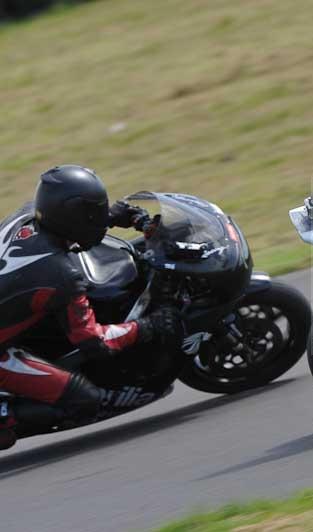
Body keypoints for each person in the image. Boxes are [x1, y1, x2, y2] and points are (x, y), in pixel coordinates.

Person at [0, 165, 181, 449]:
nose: (98, 217)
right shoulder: (59, 275)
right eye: (93, 213)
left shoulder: (27, 216)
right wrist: (147, 326)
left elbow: (71, 223)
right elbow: (93, 341)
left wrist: (112, 216)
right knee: (85, 400)